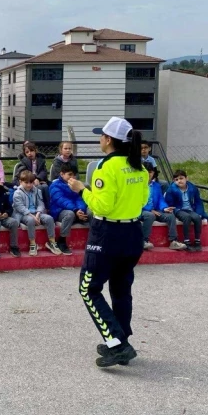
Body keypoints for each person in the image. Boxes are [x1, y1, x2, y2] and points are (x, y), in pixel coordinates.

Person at [66, 116, 149, 367]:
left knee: (88, 289)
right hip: (133, 232)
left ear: (109, 140)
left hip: (107, 234)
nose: (100, 139)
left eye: (101, 135)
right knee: (121, 290)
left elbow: (102, 206)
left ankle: (117, 344)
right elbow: (143, 200)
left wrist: (82, 189)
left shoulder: (106, 167)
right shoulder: (139, 167)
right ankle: (122, 340)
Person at [12, 170, 61, 256]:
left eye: (31, 182)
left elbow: (40, 204)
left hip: (36, 213)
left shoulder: (37, 191)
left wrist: (38, 214)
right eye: (26, 182)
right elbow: (20, 208)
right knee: (31, 220)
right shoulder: (17, 193)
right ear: (20, 182)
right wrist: (33, 216)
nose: (29, 185)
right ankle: (33, 243)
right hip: (23, 214)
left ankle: (52, 242)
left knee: (49, 219)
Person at [140, 162, 187, 251]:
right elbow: (137, 201)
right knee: (150, 215)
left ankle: (173, 241)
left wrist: (164, 208)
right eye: (145, 172)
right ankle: (143, 241)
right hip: (141, 211)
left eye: (150, 172)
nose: (148, 174)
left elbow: (160, 200)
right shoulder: (137, 185)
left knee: (170, 215)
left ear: (153, 173)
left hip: (156, 210)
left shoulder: (156, 185)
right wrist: (150, 210)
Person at [165, 169, 208, 252]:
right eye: (176, 180)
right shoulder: (171, 190)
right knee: (186, 217)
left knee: (197, 217)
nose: (179, 181)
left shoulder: (192, 188)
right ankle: (187, 241)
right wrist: (171, 210)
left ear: (186, 178)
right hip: (178, 209)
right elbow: (169, 203)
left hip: (189, 209)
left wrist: (199, 213)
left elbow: (198, 201)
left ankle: (197, 241)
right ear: (174, 181)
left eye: (181, 178)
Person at [48, 164, 89, 254]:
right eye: (70, 174)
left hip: (75, 210)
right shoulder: (55, 186)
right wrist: (75, 210)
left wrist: (80, 210)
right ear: (62, 174)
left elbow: (80, 199)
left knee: (91, 213)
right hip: (59, 211)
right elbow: (62, 201)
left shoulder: (76, 185)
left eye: (74, 175)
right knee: (70, 214)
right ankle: (61, 240)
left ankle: (93, 240)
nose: (72, 177)